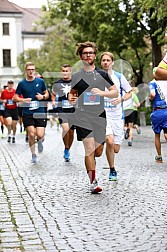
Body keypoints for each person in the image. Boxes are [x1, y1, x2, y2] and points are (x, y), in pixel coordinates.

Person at [68, 41, 118, 194]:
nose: (88, 55)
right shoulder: (77, 76)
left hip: (99, 116)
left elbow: (115, 92)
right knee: (89, 149)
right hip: (82, 115)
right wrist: (72, 98)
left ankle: (93, 167)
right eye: (85, 53)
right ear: (81, 56)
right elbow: (72, 93)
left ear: (95, 55)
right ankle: (93, 181)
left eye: (90, 52)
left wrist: (102, 93)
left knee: (98, 151)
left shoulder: (102, 74)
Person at [100, 52, 132, 181]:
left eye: (108, 60)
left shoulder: (119, 77)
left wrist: (121, 99)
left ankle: (106, 146)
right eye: (103, 60)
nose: (106, 62)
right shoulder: (97, 77)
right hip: (103, 115)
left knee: (116, 148)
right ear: (101, 63)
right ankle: (112, 169)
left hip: (117, 116)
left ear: (112, 62)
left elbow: (129, 92)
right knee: (110, 141)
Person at [13, 62, 49, 163]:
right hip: (27, 112)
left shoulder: (40, 81)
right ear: (26, 71)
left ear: (34, 70)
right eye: (29, 69)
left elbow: (46, 93)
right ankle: (33, 154)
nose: (31, 71)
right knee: (31, 134)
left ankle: (40, 141)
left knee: (40, 134)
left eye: (32, 69)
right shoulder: (22, 83)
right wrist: (23, 100)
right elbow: (15, 97)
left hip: (40, 112)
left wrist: (42, 97)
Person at [51, 64, 75, 162]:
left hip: (73, 110)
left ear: (70, 72)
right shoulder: (57, 83)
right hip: (62, 110)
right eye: (63, 71)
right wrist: (53, 101)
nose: (65, 73)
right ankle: (66, 148)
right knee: (65, 129)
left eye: (67, 71)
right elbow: (53, 94)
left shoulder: (75, 82)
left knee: (71, 132)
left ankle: (68, 148)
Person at [148, 78, 167, 163]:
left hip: (157, 111)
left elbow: (152, 94)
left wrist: (150, 98)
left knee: (157, 135)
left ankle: (159, 157)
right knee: (166, 133)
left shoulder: (152, 83)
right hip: (166, 110)